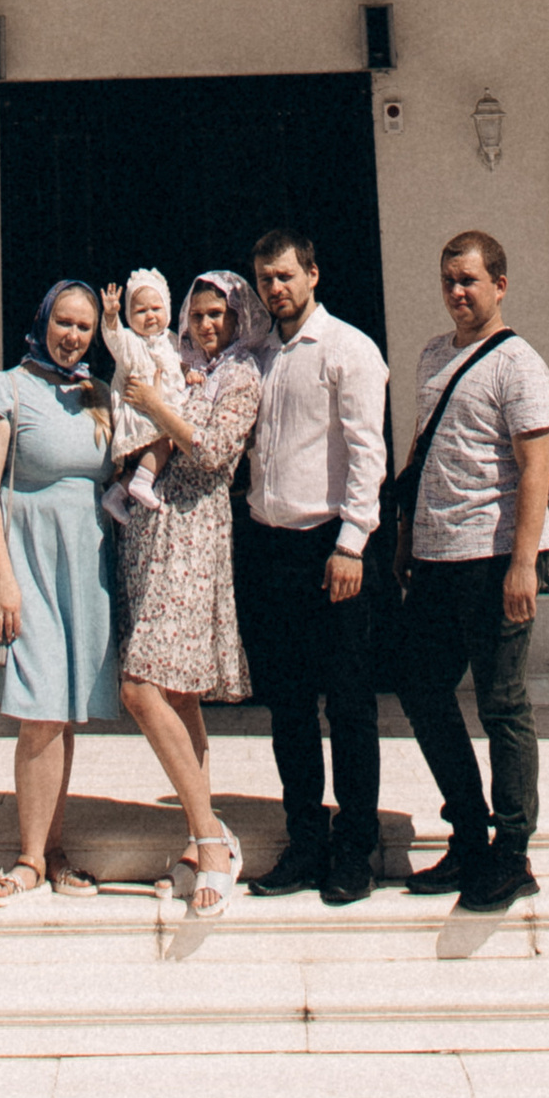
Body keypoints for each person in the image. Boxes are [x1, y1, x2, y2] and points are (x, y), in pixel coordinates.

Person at [395, 229, 549, 913]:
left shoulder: (521, 365)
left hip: (494, 558)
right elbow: (421, 446)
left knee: (501, 703)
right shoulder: (435, 354)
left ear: (500, 285)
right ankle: (467, 833)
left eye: (469, 280)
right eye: (449, 281)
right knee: (421, 689)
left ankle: (512, 854)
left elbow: (535, 468)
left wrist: (523, 564)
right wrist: (405, 537)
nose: (457, 292)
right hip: (436, 556)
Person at [242, 227, 389, 904]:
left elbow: (367, 453)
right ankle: (305, 842)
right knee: (289, 706)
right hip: (270, 547)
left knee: (349, 705)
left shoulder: (348, 349)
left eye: (285, 276)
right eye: (265, 279)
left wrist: (352, 543)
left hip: (332, 547)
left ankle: (355, 849)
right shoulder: (259, 355)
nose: (276, 288)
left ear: (313, 274)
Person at [115, 267, 266, 913]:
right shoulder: (177, 365)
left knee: (141, 685)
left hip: (195, 533)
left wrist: (155, 407)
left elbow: (211, 452)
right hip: (149, 530)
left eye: (218, 314)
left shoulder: (241, 376)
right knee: (175, 692)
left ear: (238, 318)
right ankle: (198, 834)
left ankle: (210, 839)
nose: (207, 325)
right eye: (198, 315)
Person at [0, 278, 122, 902]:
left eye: (84, 327)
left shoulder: (99, 395)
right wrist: (2, 578)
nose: (73, 336)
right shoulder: (4, 390)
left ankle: (54, 851)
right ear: (42, 321)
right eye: (64, 322)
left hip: (86, 567)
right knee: (40, 712)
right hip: (28, 565)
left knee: (65, 713)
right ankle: (30, 857)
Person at [98, 269, 180, 524]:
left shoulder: (172, 341)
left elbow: (182, 366)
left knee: (149, 455)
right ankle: (142, 483)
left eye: (156, 308)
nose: (150, 316)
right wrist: (111, 316)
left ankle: (117, 493)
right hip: (141, 413)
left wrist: (192, 374)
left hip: (162, 409)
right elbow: (114, 338)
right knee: (165, 441)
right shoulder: (130, 342)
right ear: (129, 316)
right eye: (141, 311)